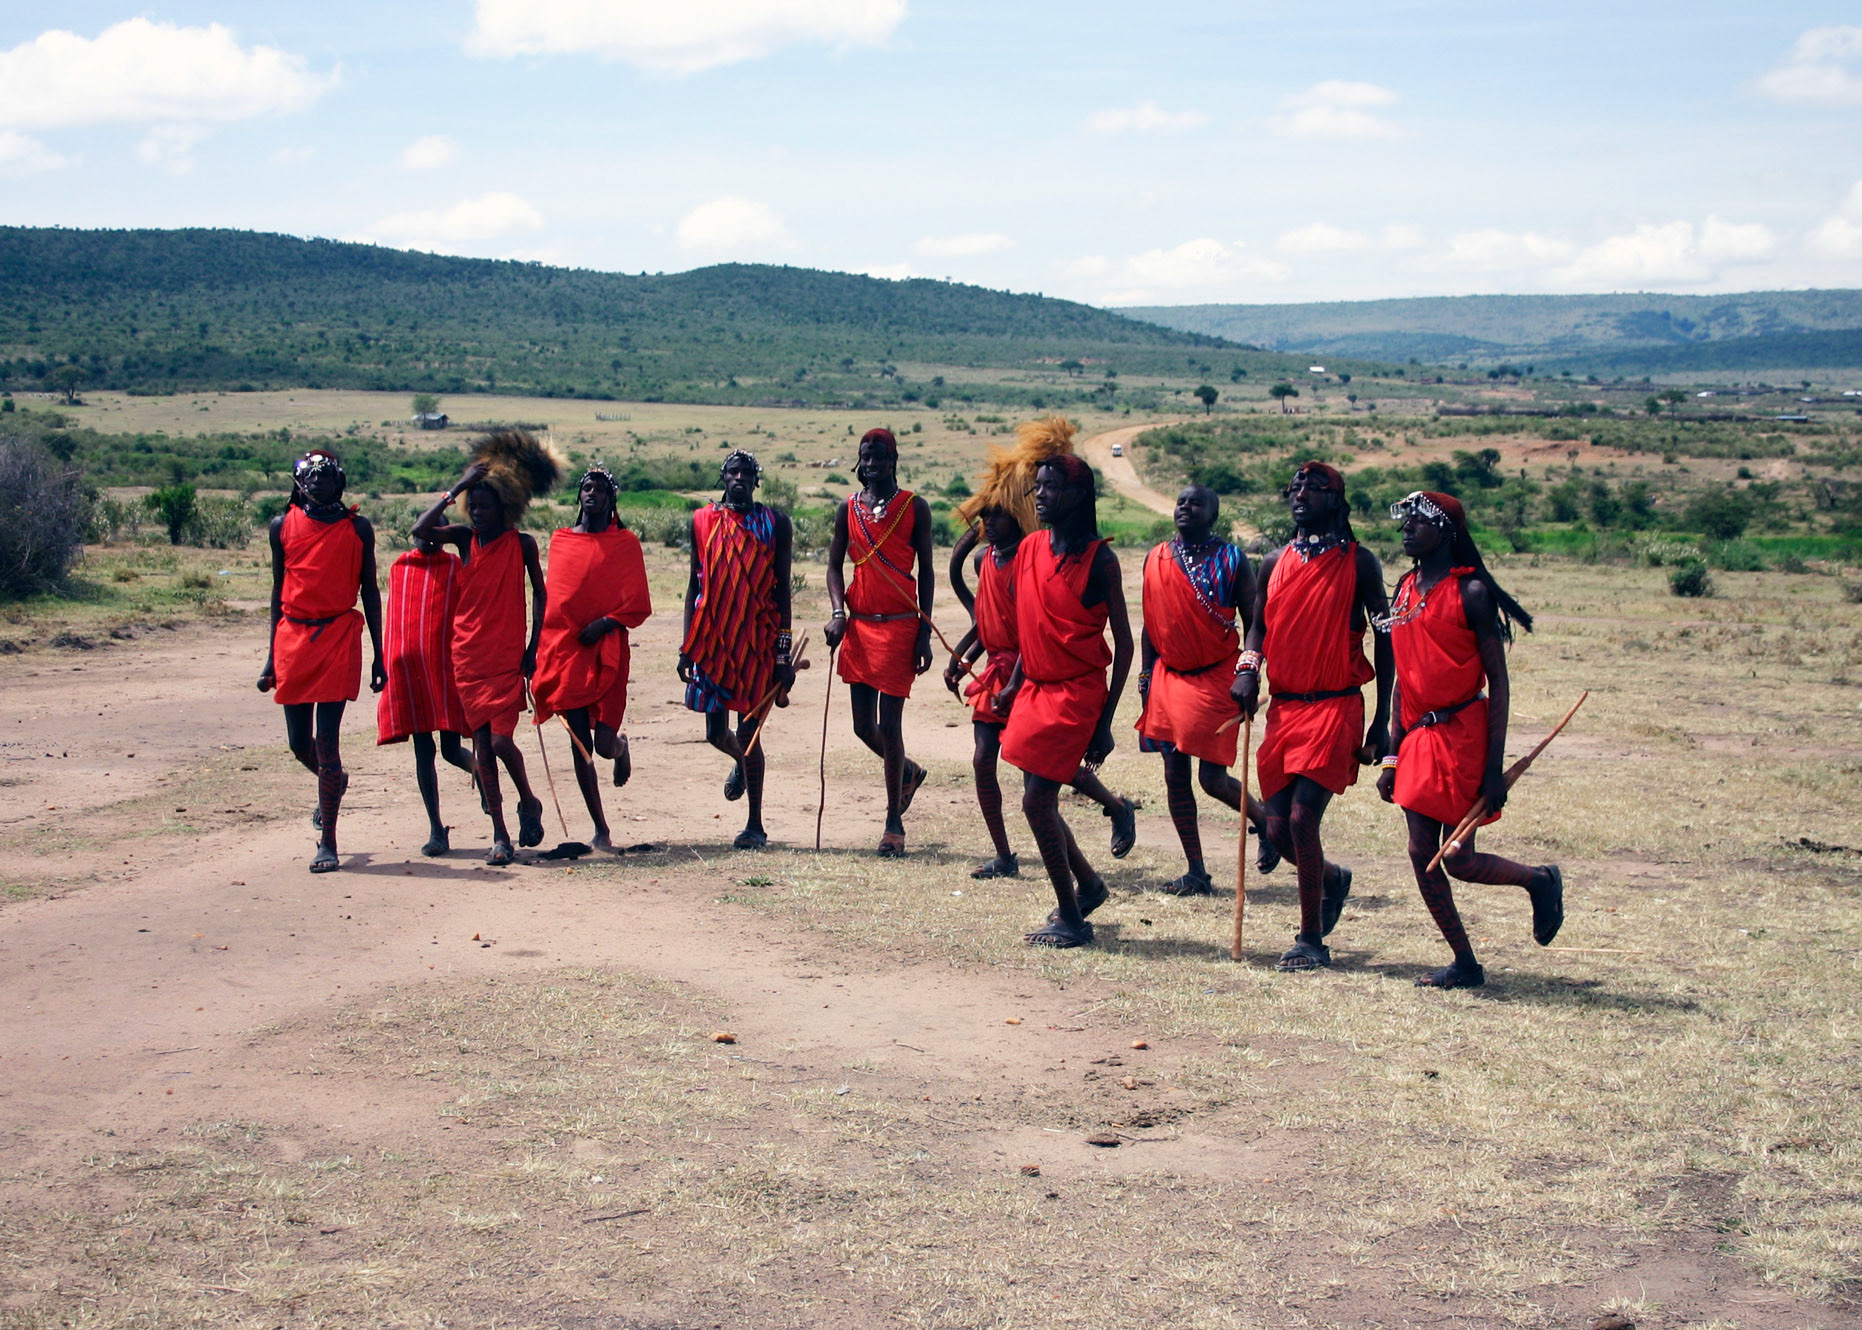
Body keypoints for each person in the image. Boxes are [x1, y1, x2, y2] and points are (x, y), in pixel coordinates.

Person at [1375, 490, 1564, 988]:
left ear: (1447, 531)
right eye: (1405, 523)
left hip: (1464, 736)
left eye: (1418, 522)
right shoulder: (1405, 590)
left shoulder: (1472, 593)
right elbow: (1402, 678)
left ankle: (1539, 881)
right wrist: (1392, 755)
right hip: (1416, 737)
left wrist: (1492, 770)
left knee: (1456, 857)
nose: (1407, 530)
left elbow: (1498, 683)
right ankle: (1465, 962)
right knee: (1421, 850)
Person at [944, 417, 1137, 879]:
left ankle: (1109, 819)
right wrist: (969, 656)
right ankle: (1009, 857)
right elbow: (985, 619)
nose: (987, 522)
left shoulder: (1048, 558)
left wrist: (1104, 722)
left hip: (1039, 677)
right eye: (984, 514)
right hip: (1011, 675)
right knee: (998, 763)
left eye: (997, 513)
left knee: (1043, 776)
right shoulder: (991, 559)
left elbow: (1040, 631)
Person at [1232, 461, 1393, 972]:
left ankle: (1311, 940)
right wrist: (1248, 668)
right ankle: (1332, 878)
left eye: (1314, 488)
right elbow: (1257, 627)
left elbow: (1385, 642)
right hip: (1284, 708)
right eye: (1295, 487)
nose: (1301, 494)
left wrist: (1382, 720)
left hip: (1336, 705)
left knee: (1302, 818)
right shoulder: (1274, 560)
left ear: (1336, 501)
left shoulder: (1360, 563)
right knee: (1277, 831)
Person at [996, 454, 1134, 948]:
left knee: (1036, 801)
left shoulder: (1101, 560)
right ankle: (1090, 886)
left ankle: (1073, 918)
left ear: (1078, 496)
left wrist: (1105, 722)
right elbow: (1032, 626)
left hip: (1076, 693)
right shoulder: (1031, 547)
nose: (1041, 496)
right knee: (1039, 799)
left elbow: (1125, 646)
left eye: (1051, 487)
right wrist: (1014, 682)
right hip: (1034, 688)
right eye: (1038, 488)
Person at [412, 431, 559, 865]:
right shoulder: (463, 539)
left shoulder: (521, 544)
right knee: (480, 747)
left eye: (485, 506)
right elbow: (421, 529)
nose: (477, 513)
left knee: (498, 742)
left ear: (505, 507)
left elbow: (541, 594)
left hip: (506, 656)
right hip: (467, 655)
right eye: (472, 506)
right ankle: (500, 834)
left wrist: (534, 647)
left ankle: (528, 801)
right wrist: (456, 488)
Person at [1135, 483, 1279, 895]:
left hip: (1217, 675)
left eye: (1195, 503)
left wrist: (1249, 671)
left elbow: (1255, 620)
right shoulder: (1158, 557)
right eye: (1180, 501)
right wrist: (1146, 676)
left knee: (1212, 778)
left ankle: (1266, 821)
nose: (1185, 508)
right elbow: (1151, 622)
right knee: (1174, 775)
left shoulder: (1232, 558)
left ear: (1213, 514)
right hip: (1168, 676)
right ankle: (1196, 870)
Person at [258, 450, 384, 873]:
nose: (318, 482)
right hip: (293, 636)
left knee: (327, 742)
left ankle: (327, 840)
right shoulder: (282, 527)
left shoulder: (358, 528)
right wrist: (270, 657)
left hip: (338, 636)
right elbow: (278, 592)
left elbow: (369, 591)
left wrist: (379, 655)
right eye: (310, 477)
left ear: (339, 483)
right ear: (299, 484)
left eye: (326, 477)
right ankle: (334, 781)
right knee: (299, 743)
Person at [823, 428, 934, 856]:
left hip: (901, 626)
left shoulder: (913, 507)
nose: (871, 464)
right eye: (865, 457)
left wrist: (924, 631)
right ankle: (906, 771)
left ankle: (893, 823)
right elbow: (834, 568)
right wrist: (837, 613)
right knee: (861, 726)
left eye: (879, 456)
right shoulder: (847, 508)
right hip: (860, 626)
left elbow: (926, 572)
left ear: (893, 459)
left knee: (890, 725)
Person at [531, 463, 653, 851]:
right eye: (587, 487)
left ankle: (621, 747)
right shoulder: (561, 540)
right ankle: (600, 827)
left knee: (602, 744)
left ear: (610, 499)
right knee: (580, 744)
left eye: (600, 489)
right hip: (567, 650)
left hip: (607, 645)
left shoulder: (625, 544)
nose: (592, 494)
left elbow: (637, 602)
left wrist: (604, 624)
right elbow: (555, 600)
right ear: (579, 494)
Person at [679, 450, 796, 850]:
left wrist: (784, 654)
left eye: (747, 473)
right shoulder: (702, 521)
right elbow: (695, 586)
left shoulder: (775, 523)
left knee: (748, 733)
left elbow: (782, 589)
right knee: (716, 732)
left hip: (757, 643)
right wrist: (686, 647)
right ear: (723, 477)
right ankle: (741, 767)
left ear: (756, 480)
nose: (740, 478)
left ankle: (756, 825)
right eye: (733, 472)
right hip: (711, 641)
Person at [376, 533, 475, 856]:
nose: (428, 539)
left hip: (444, 669)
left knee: (450, 749)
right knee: (423, 750)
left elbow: (462, 613)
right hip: (411, 672)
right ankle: (436, 828)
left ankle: (483, 777)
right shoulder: (400, 567)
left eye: (437, 533)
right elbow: (398, 621)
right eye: (423, 534)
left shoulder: (453, 566)